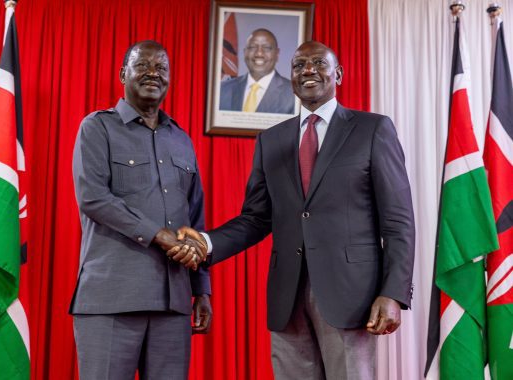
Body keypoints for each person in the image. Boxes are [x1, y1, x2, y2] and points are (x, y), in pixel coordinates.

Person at [170, 41, 415, 379]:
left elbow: (398, 220)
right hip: (287, 296)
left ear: (338, 74)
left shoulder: (373, 129)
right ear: (291, 77)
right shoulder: (271, 140)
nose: (308, 70)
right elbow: (256, 218)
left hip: (352, 296)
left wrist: (393, 293)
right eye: (299, 65)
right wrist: (206, 243)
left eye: (318, 63)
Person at [70, 40, 211, 380]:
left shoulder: (181, 139)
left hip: (172, 302)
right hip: (111, 299)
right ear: (123, 74)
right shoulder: (97, 127)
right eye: (143, 66)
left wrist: (202, 288)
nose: (153, 73)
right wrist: (158, 236)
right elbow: (93, 197)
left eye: (161, 68)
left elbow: (195, 218)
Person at [219, 28, 295, 114]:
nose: (259, 53)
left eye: (266, 48)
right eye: (252, 47)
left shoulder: (294, 94)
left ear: (277, 54)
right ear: (245, 52)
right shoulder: (222, 90)